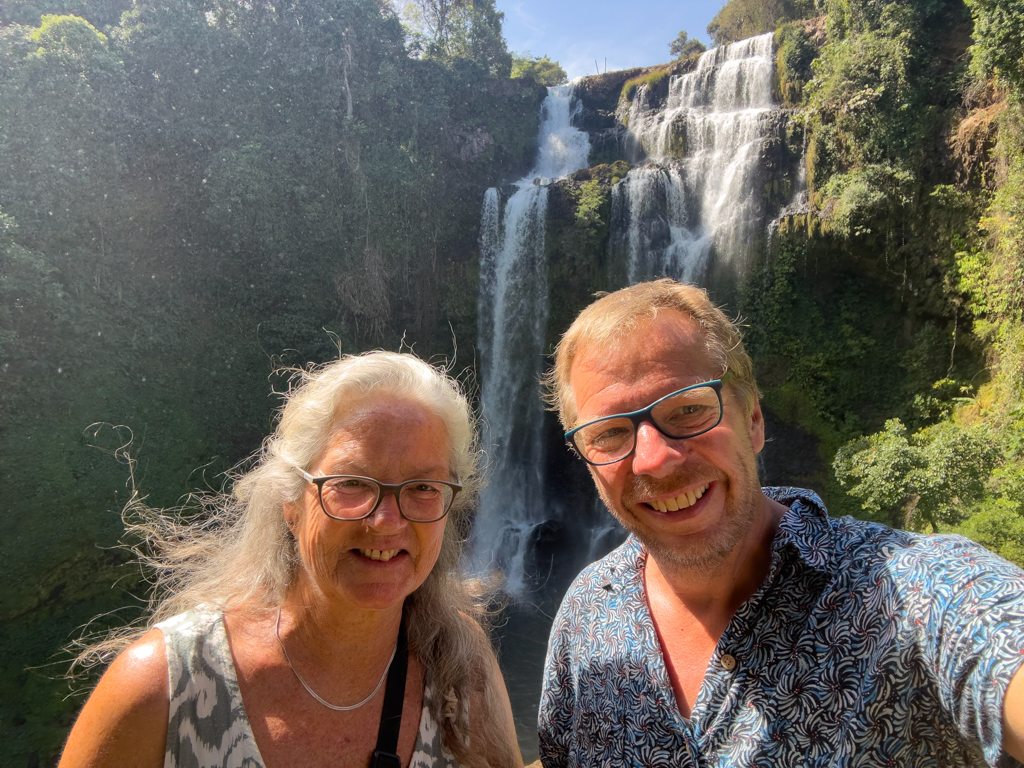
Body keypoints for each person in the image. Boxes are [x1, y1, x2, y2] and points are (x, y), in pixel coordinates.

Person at [537, 279, 1024, 767]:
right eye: (609, 433)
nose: (655, 460)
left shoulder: (912, 591)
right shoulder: (584, 614)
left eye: (688, 409)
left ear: (753, 419)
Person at [60, 351, 522, 768]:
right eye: (352, 483)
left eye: (423, 488)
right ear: (291, 503)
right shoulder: (163, 688)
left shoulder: (462, 669)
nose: (386, 521)